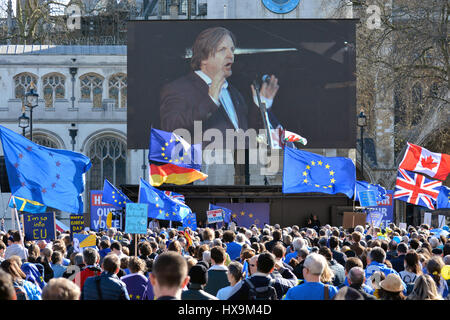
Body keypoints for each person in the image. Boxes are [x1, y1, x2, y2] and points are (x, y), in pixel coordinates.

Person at [159, 26, 279, 138]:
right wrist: (210, 101)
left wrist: (262, 106)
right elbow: (170, 128)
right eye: (222, 50)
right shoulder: (179, 89)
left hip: (241, 160)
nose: (231, 55)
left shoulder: (234, 93)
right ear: (203, 58)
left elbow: (249, 136)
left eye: (232, 50)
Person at [229, 252, 297, 300]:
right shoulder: (279, 283)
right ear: (272, 269)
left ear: (257, 264)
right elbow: (294, 280)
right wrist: (280, 268)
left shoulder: (243, 284)